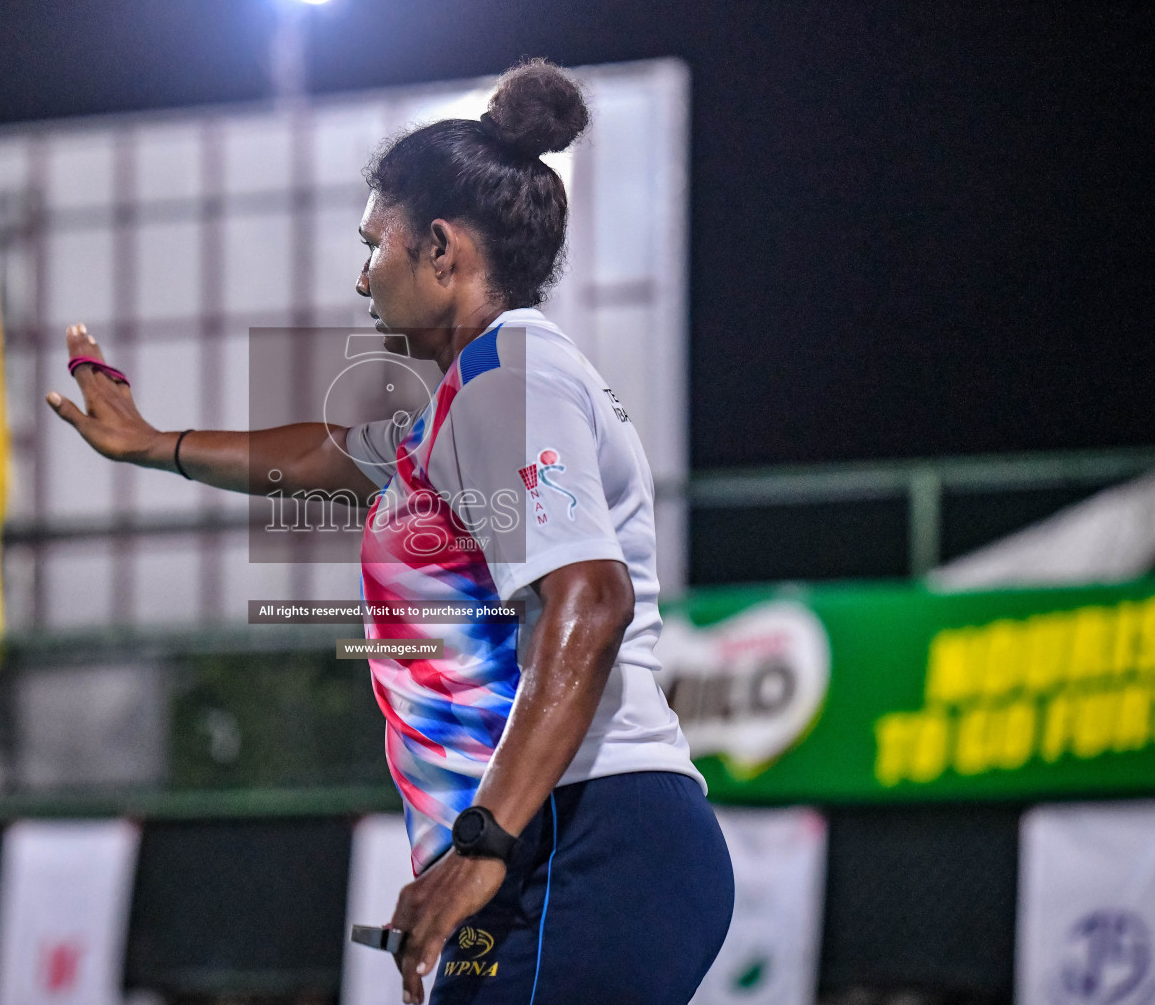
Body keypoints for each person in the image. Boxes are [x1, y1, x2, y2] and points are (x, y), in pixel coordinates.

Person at [45, 58, 733, 1005]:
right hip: (551, 835)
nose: (362, 275)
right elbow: (334, 452)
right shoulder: (463, 404)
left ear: (442, 251)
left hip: (584, 833)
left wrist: (484, 841)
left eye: (376, 245)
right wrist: (154, 444)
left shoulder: (509, 381)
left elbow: (593, 597)